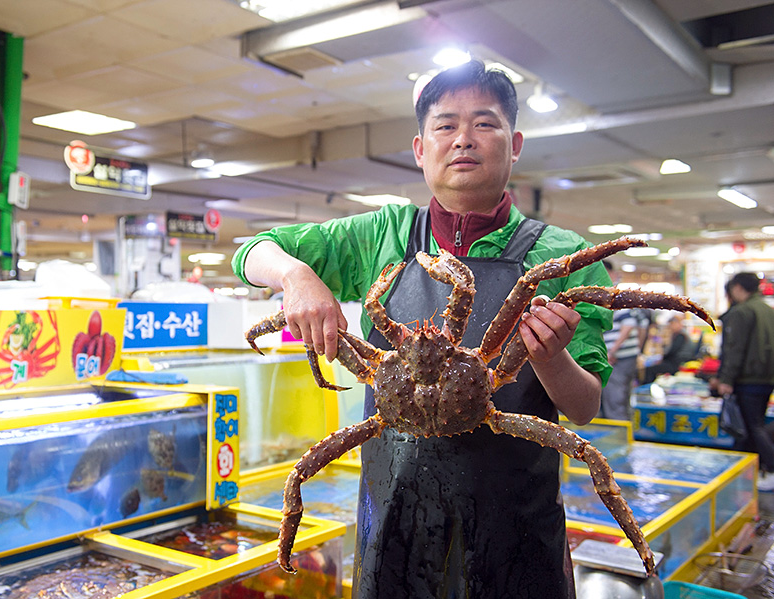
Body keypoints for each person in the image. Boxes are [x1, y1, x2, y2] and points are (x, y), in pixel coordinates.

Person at [232, 60, 613, 598]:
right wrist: (294, 276)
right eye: (445, 125)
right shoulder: (382, 235)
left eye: (484, 123)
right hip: (395, 531)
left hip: (518, 538)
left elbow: (584, 407)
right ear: (419, 148)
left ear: (515, 142)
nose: (464, 139)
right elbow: (250, 252)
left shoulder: (566, 256)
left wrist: (551, 357)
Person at [710, 273, 774, 490]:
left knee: (751, 426)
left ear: (737, 288)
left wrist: (726, 379)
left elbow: (734, 349)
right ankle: (753, 471)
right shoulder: (767, 309)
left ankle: (770, 467)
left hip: (747, 379)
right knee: (755, 424)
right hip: (766, 378)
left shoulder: (741, 311)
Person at [599, 262, 649, 420]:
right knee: (622, 399)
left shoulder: (614, 294)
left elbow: (629, 325)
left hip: (617, 357)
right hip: (625, 355)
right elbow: (642, 325)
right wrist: (637, 350)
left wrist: (612, 351)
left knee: (615, 401)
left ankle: (619, 441)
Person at [641, 314, 694, 384]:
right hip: (675, 362)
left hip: (677, 364)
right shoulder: (679, 334)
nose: (670, 327)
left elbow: (672, 352)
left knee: (649, 370)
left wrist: (661, 359)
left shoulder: (681, 335)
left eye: (671, 324)